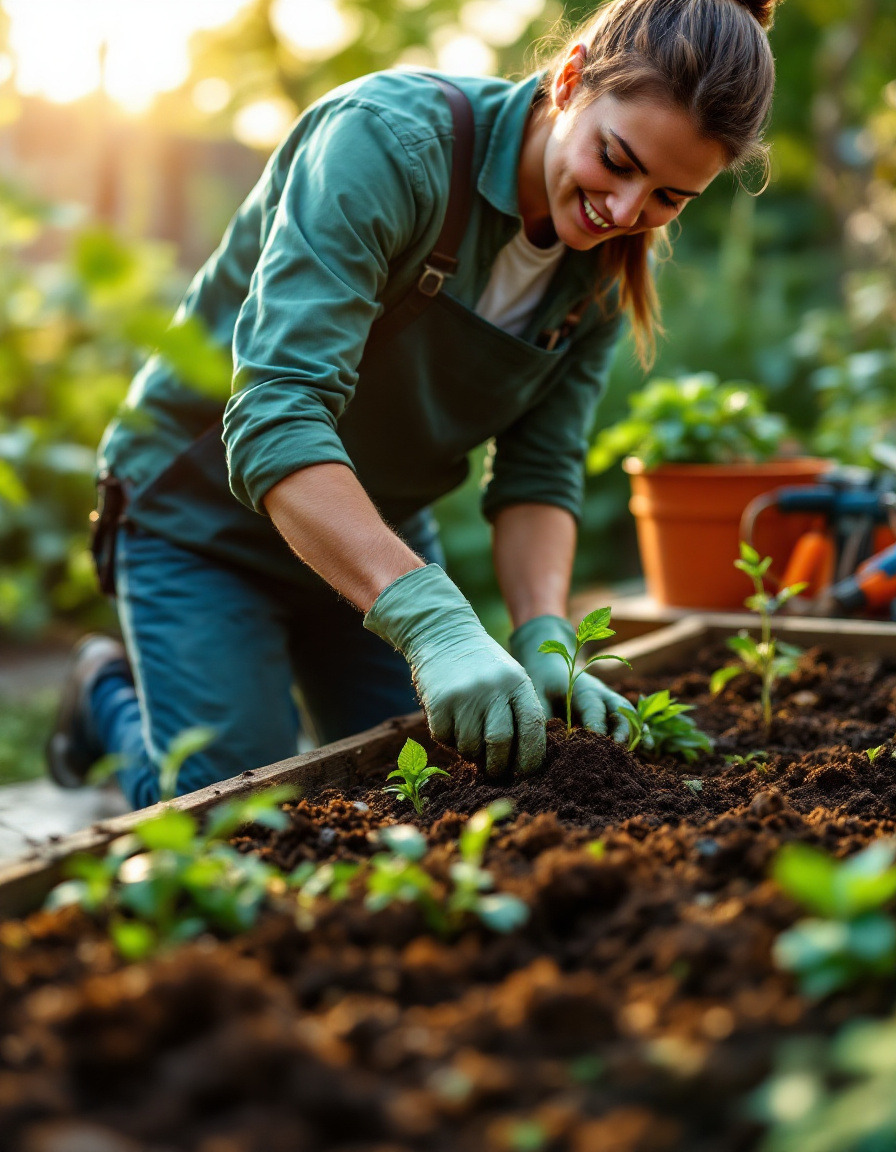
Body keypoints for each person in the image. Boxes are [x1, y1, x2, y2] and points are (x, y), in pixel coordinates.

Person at [47, 0, 780, 807]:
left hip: (374, 527)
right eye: (616, 159)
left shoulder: (602, 270)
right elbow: (273, 413)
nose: (624, 212)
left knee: (438, 780)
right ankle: (105, 696)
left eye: (670, 198)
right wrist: (433, 623)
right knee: (232, 809)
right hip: (199, 518)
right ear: (569, 79)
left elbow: (540, 473)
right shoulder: (390, 145)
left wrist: (543, 632)